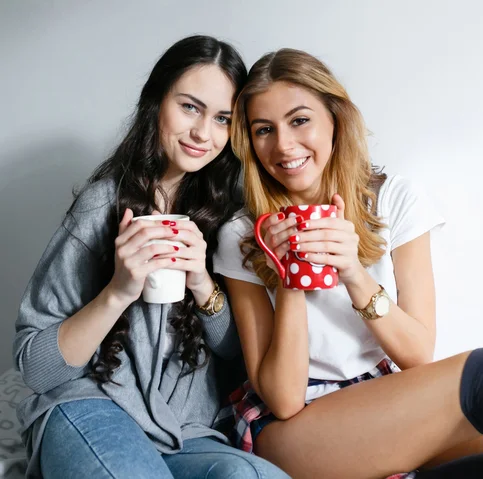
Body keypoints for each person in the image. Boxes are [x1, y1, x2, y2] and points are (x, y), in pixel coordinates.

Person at [212, 48, 483, 479]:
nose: (283, 145)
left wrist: (353, 273)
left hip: (383, 402)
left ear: (335, 121)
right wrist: (289, 273)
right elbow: (283, 399)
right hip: (298, 428)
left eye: (299, 120)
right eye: (264, 129)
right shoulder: (241, 234)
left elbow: (417, 354)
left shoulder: (394, 199)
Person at [13, 36, 289, 479]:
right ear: (155, 102)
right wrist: (118, 291)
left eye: (222, 118)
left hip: (187, 428)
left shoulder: (229, 215)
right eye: (190, 107)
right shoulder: (102, 204)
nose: (204, 133)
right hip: (90, 405)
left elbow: (240, 360)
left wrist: (201, 282)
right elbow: (36, 368)